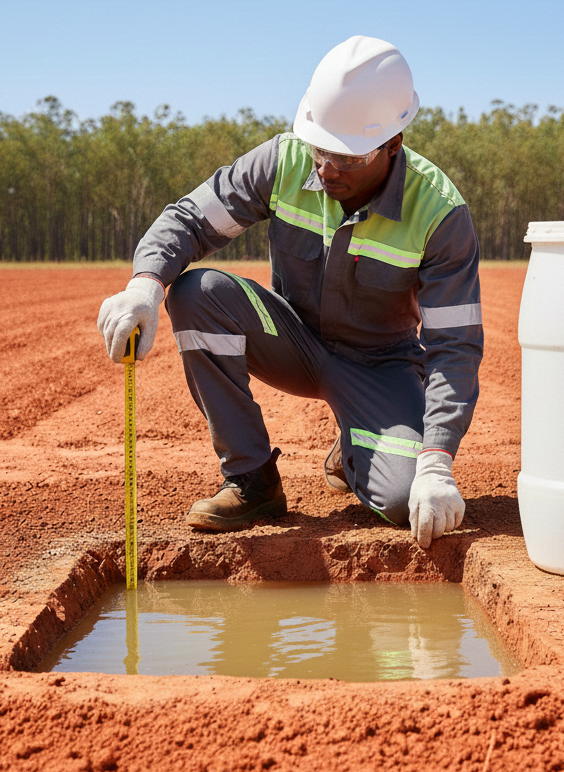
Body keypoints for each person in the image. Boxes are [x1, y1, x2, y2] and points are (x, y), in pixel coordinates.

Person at [98, 36, 483, 549]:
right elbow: (190, 219)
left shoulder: (439, 213)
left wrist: (436, 463)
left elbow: (454, 347)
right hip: (291, 339)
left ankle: (355, 448)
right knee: (196, 292)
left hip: (380, 366)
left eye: (346, 157)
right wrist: (144, 284)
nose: (326, 170)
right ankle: (253, 480)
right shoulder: (285, 160)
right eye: (321, 149)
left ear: (394, 143)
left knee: (401, 499)